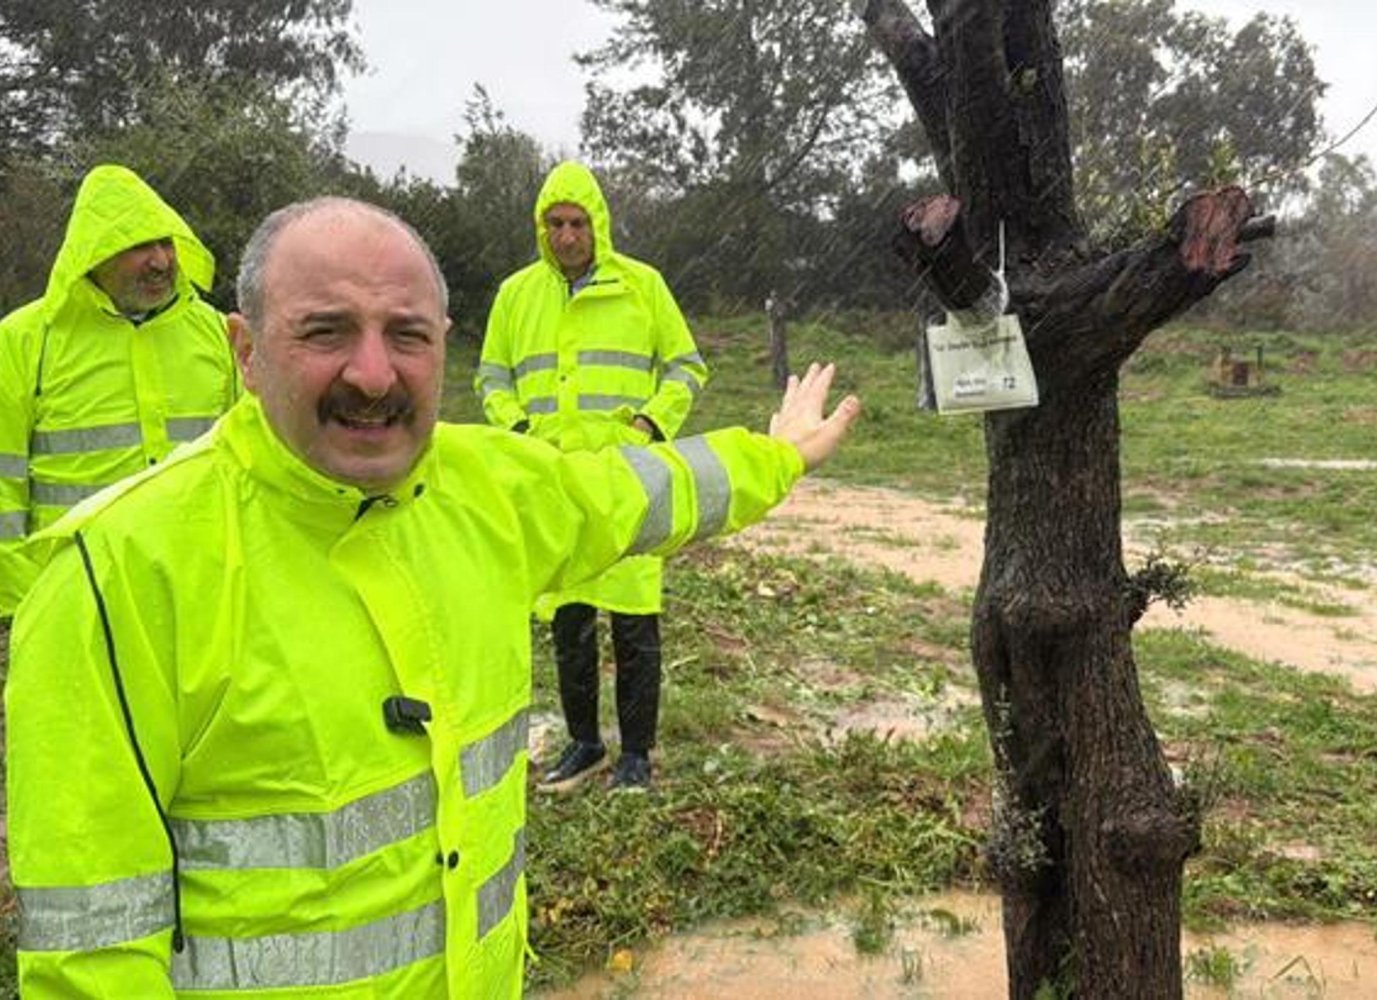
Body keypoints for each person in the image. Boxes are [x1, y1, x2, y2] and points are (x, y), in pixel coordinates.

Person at [5, 196, 858, 998]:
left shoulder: (488, 491)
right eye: (327, 331)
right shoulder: (115, 578)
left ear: (444, 344)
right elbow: (93, 953)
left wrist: (775, 457)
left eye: (407, 335)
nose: (373, 375)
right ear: (245, 350)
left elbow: (636, 493)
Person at [477, 160, 708, 793]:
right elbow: (491, 377)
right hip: (554, 481)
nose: (567, 236)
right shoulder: (516, 295)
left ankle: (636, 753)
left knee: (635, 619)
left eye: (578, 222)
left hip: (627, 476)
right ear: (540, 227)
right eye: (555, 223)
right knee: (569, 619)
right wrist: (520, 432)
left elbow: (687, 367)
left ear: (598, 224)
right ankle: (584, 743)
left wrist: (650, 427)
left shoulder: (643, 286)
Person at [0, 163, 239, 615]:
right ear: (95, 251)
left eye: (166, 242)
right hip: (71, 596)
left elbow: (252, 459)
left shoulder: (217, 333)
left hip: (198, 590)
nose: (162, 261)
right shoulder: (24, 340)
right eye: (138, 245)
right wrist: (19, 606)